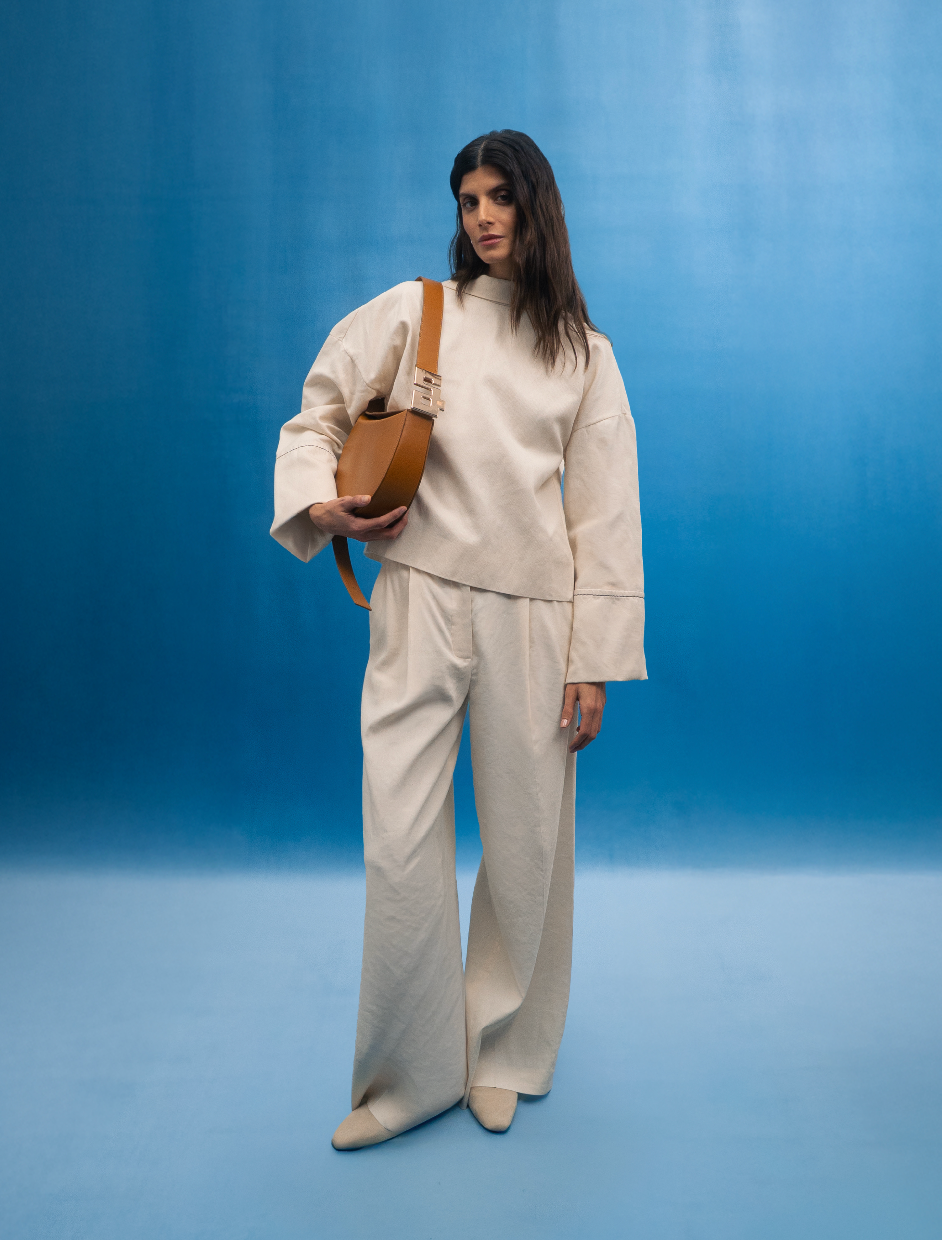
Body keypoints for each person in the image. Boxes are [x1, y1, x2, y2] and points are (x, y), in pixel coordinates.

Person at [271, 130, 646, 1150]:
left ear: (537, 207)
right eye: (469, 199)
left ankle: (503, 1052)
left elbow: (605, 515)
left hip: (535, 617)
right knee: (400, 839)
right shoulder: (416, 311)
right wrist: (323, 506)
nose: (482, 216)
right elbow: (317, 415)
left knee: (527, 845)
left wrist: (593, 662)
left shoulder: (584, 355)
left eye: (500, 198)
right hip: (420, 600)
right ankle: (408, 1079)